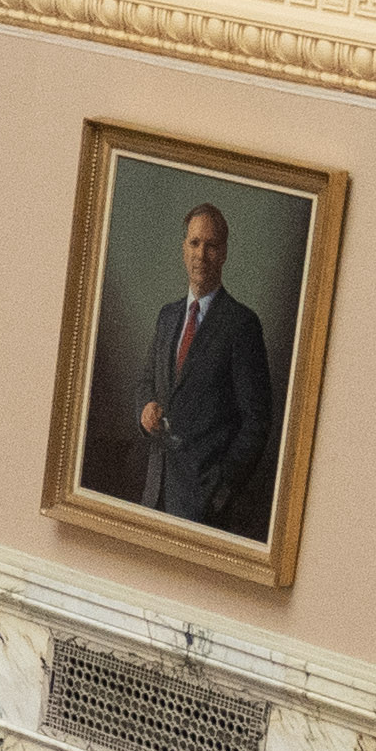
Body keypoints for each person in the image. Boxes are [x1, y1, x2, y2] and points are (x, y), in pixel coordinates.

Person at [113, 199, 281, 529]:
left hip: (205, 510)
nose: (201, 254)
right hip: (154, 494)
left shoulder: (242, 325)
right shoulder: (167, 316)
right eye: (194, 243)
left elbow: (257, 422)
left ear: (224, 253)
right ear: (183, 248)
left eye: (211, 245)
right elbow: (146, 382)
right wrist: (144, 410)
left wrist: (221, 489)